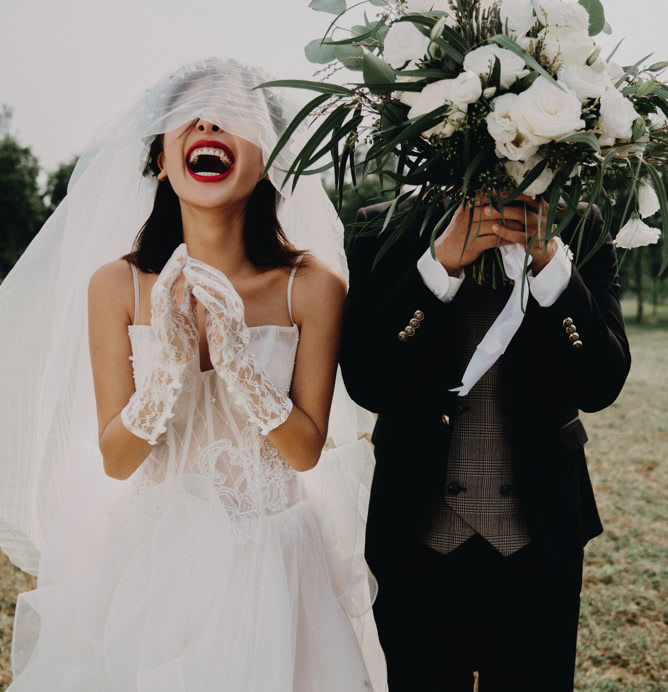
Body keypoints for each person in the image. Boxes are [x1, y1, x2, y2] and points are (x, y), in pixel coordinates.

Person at [0, 58, 385, 691]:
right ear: (161, 158)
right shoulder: (116, 286)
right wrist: (169, 373)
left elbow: (305, 451)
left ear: (269, 158)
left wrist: (238, 364)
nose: (208, 123)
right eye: (191, 114)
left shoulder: (312, 286)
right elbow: (117, 460)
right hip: (152, 566)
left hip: (275, 560)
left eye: (231, 114)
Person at [340, 193, 631, 691]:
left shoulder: (580, 226)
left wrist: (550, 262)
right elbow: (368, 381)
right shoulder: (381, 227)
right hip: (414, 544)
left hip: (540, 543)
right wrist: (440, 265)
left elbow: (600, 385)